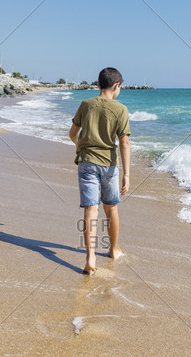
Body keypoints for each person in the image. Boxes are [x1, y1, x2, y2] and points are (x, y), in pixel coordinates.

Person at [69, 67, 131, 275]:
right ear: (116, 86)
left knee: (90, 209)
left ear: (98, 85)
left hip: (87, 163)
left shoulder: (86, 105)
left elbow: (72, 133)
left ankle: (90, 258)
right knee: (111, 208)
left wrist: (81, 147)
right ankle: (113, 250)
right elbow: (124, 143)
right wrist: (127, 174)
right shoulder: (120, 109)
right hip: (110, 165)